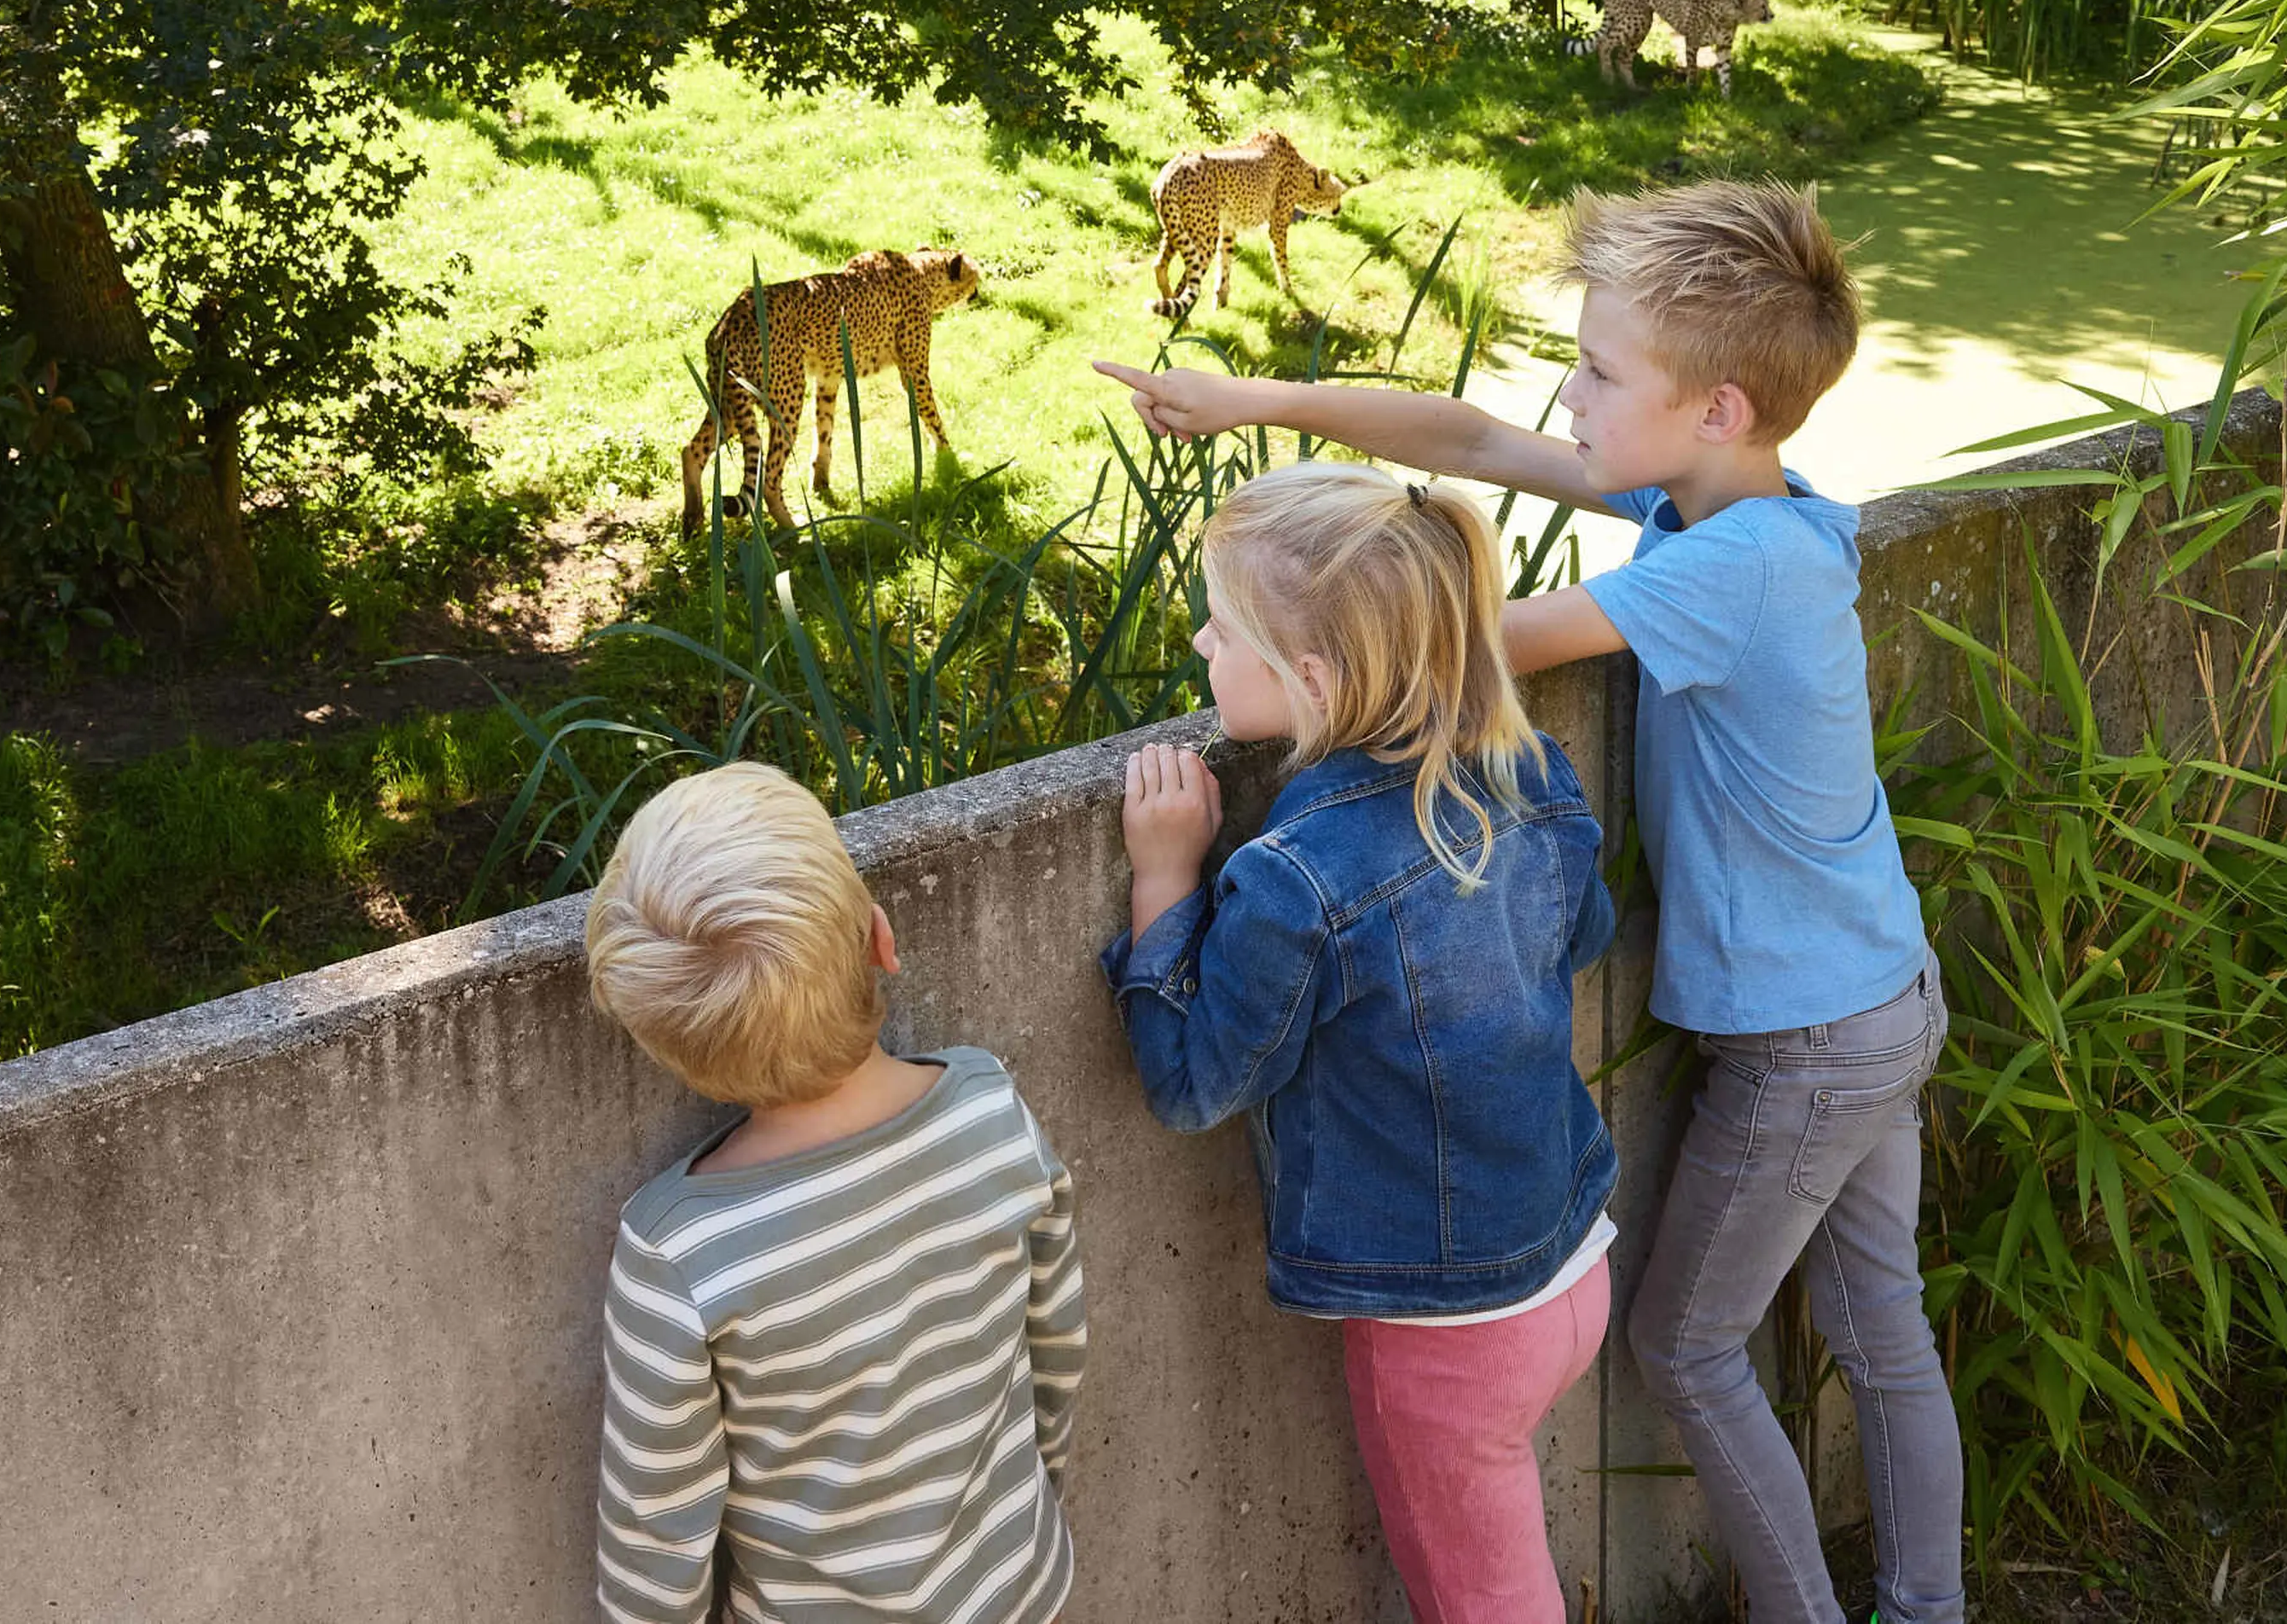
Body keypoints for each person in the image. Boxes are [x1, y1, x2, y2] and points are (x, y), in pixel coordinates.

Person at [1096, 179, 1958, 1624]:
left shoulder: (1729, 565)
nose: (1566, 389)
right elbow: (1469, 440)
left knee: (1689, 1348)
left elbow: (1436, 648)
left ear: (1718, 407)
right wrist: (1261, 401)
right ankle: (1928, 1609)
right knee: (1884, 1330)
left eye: (1603, 369)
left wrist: (1300, 645)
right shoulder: (1735, 508)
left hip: (1809, 1037)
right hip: (1882, 990)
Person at [1106, 460, 1617, 1624]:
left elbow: (1193, 1086)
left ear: (1315, 678)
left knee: (1484, 1604)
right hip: (1573, 1255)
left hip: (1443, 1336)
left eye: (1224, 630)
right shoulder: (1531, 773)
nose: (1198, 643)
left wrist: (1165, 880)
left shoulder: (1297, 881)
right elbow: (1580, 931)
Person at [585, 760, 1086, 1624]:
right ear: (881, 939)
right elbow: (1057, 1346)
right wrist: (1036, 1495)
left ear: (677, 1055)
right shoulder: (988, 1108)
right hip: (1014, 1589)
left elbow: (655, 1535)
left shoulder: (679, 1253)